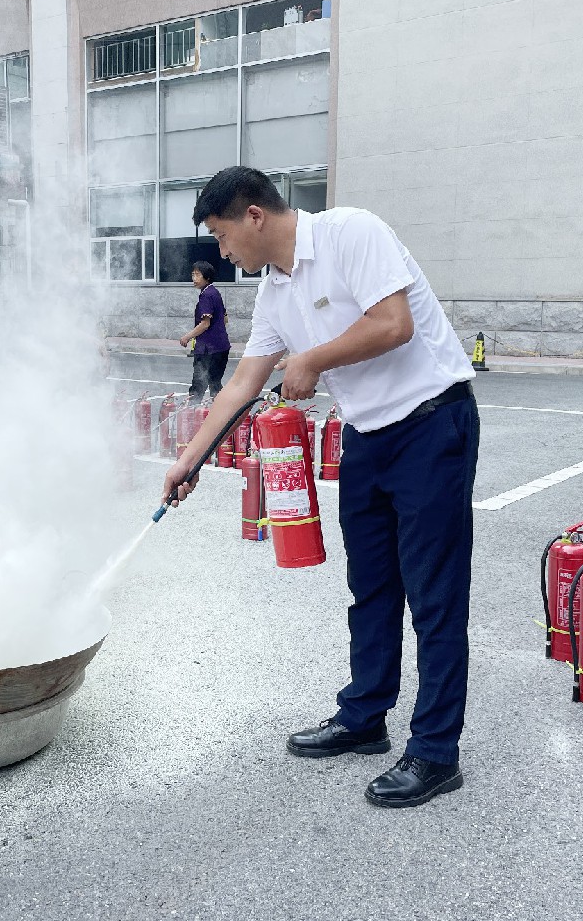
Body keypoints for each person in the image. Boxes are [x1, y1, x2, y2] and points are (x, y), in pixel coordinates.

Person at [162, 166, 478, 809]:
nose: (222, 253)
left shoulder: (351, 233)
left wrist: (311, 360)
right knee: (371, 588)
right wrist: (187, 461)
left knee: (435, 594)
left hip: (430, 422)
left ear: (254, 216)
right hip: (366, 436)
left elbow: (394, 324)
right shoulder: (276, 293)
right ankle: (365, 716)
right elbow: (241, 385)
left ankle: (436, 751)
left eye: (222, 237)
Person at [179, 261, 231, 400]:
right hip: (221, 347)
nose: (194, 279)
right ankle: (222, 414)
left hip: (208, 350)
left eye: (197, 275)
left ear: (207, 277)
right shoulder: (215, 292)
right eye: (193, 275)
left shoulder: (206, 295)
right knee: (215, 384)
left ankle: (191, 415)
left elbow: (205, 324)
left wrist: (186, 337)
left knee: (198, 385)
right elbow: (225, 318)